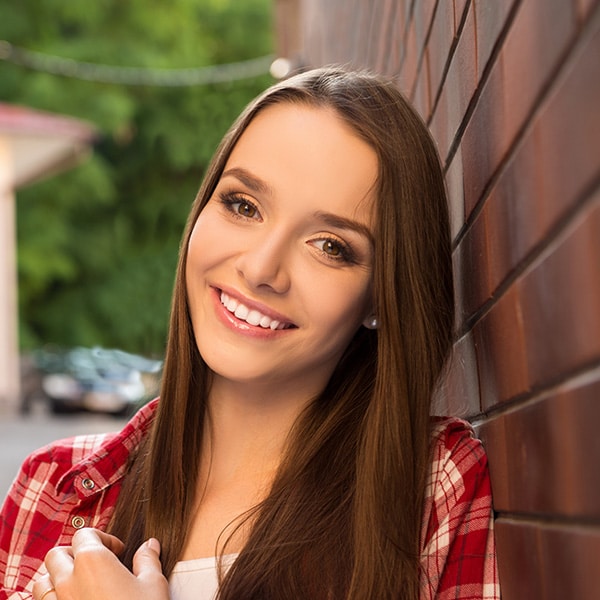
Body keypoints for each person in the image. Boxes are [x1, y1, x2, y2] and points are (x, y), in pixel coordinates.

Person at [0, 67, 499, 600]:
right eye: (243, 205)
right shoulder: (53, 488)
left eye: (331, 245)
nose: (261, 268)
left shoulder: (433, 489)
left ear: (382, 294)